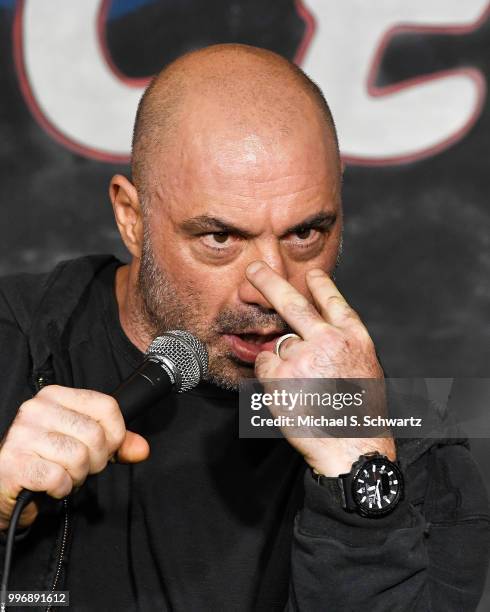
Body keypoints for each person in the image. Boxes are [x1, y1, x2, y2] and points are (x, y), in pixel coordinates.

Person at [0, 43, 488, 611]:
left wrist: (360, 480)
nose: (267, 286)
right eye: (220, 238)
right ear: (132, 219)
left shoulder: (405, 435)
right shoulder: (13, 346)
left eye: (305, 234)